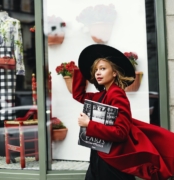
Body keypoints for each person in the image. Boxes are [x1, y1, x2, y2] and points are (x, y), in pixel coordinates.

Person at [72, 44, 174, 180]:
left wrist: (89, 124)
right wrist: (81, 69)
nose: (98, 72)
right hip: (99, 155)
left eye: (103, 69)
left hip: (112, 161)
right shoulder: (102, 95)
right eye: (96, 70)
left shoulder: (117, 95)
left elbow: (120, 132)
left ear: (114, 73)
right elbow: (78, 95)